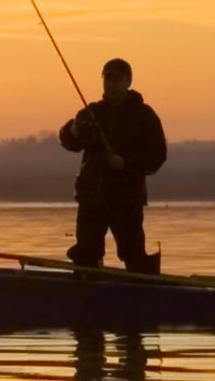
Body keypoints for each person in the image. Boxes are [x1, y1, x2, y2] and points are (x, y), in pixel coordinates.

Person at [58, 57, 167, 274]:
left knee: (133, 253)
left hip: (126, 200)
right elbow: (69, 141)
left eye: (117, 80)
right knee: (86, 253)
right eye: (107, 79)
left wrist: (126, 164)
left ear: (128, 82)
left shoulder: (144, 115)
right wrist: (74, 130)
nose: (111, 84)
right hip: (91, 198)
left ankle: (143, 294)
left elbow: (157, 156)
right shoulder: (93, 111)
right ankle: (85, 293)